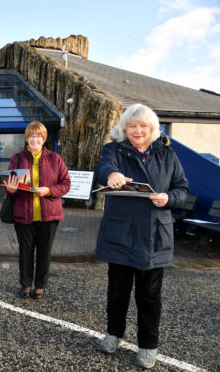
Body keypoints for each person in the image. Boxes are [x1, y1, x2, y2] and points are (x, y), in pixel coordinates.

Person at [95, 104, 189, 369]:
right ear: (125, 128)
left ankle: (148, 346)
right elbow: (104, 166)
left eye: (143, 126)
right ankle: (114, 333)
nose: (138, 131)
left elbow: (182, 188)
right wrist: (112, 174)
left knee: (149, 296)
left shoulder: (168, 154)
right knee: (117, 292)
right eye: (132, 126)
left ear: (152, 129)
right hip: (121, 233)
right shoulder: (113, 149)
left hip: (153, 235)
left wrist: (168, 198)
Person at [4, 121, 71, 299]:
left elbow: (66, 184)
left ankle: (40, 286)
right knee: (25, 251)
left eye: (38, 136)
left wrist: (49, 191)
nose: (35, 139)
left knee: (44, 251)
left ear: (44, 138)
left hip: (49, 215)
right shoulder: (17, 158)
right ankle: (26, 284)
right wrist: (10, 189)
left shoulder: (55, 159)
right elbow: (10, 190)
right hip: (23, 214)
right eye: (31, 136)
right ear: (27, 138)